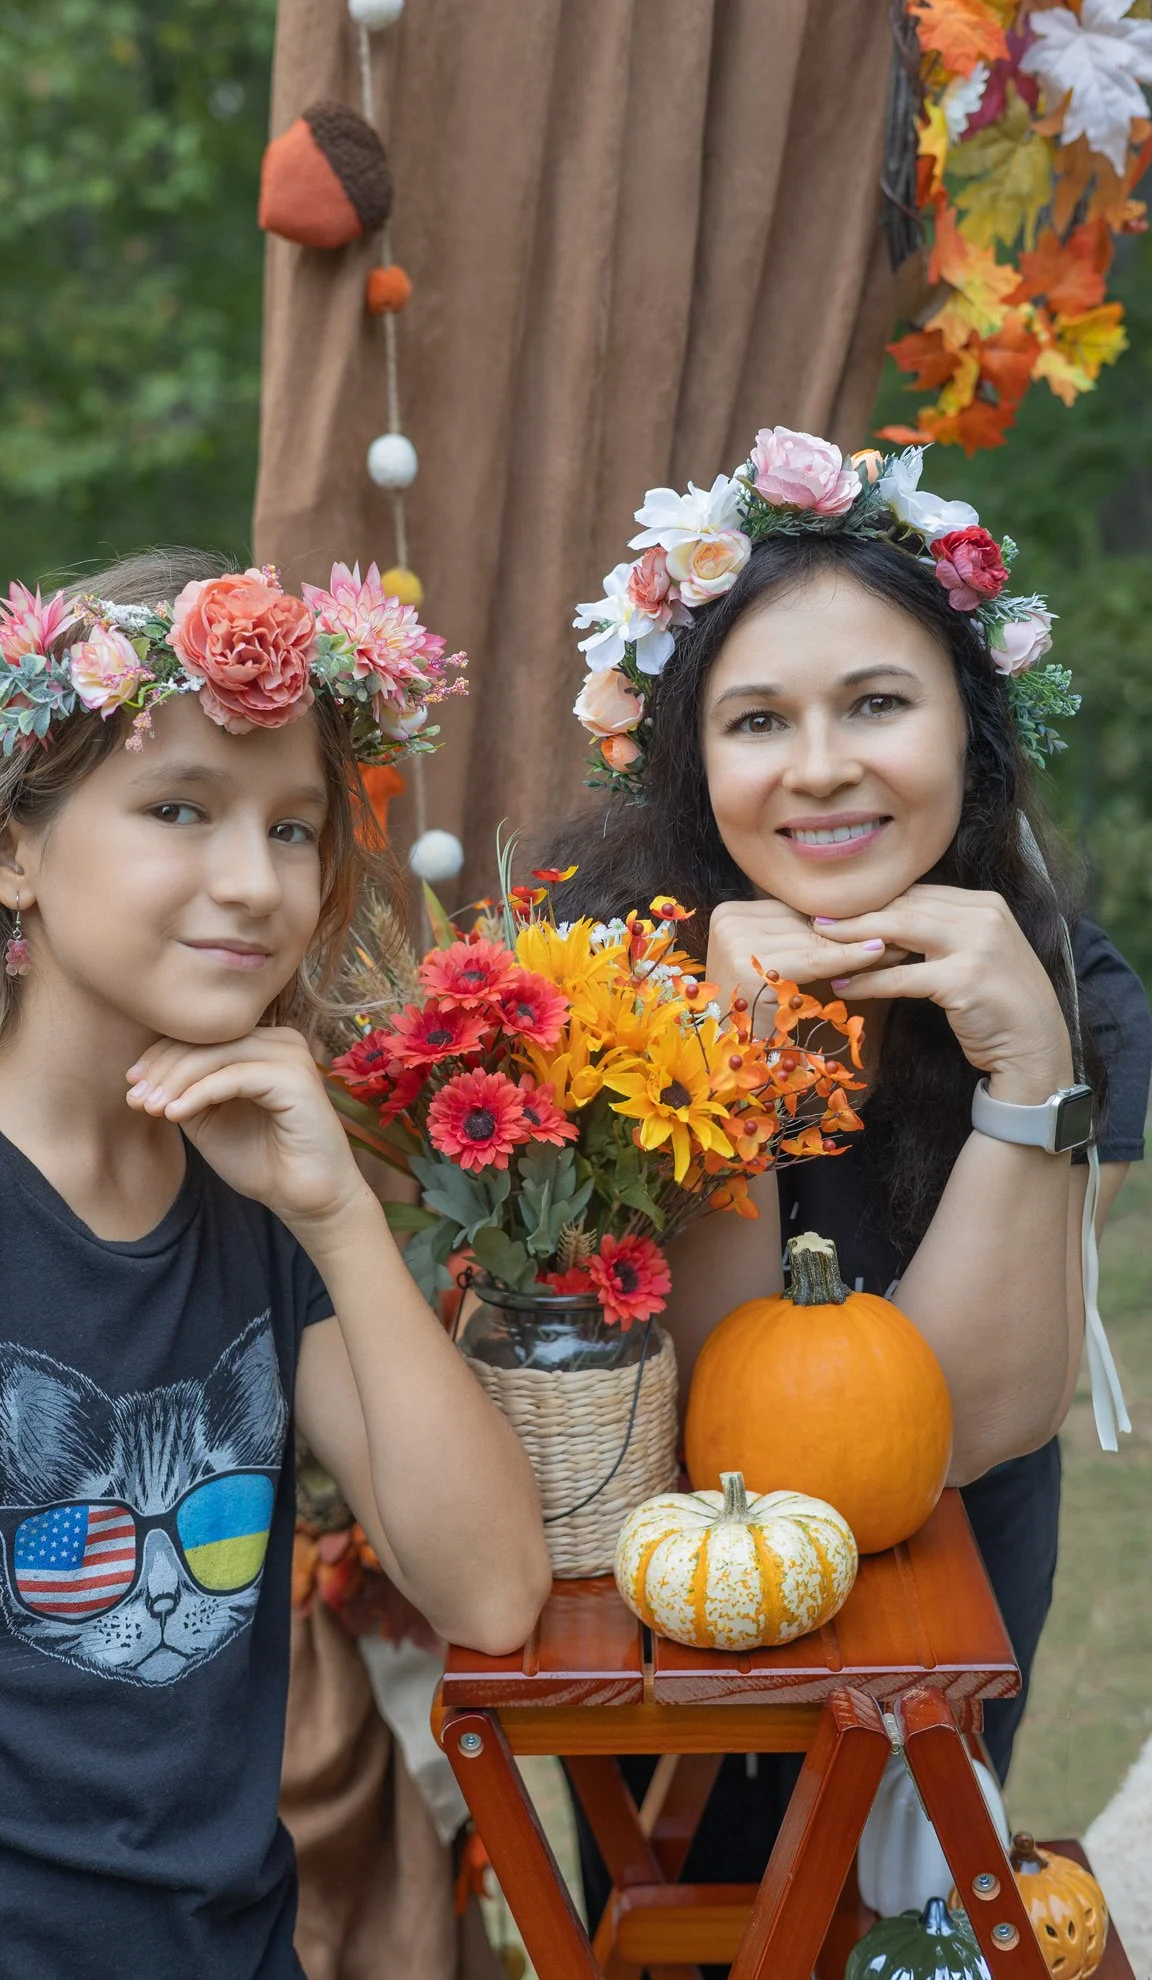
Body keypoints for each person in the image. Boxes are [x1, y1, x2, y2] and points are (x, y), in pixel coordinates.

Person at [0, 551, 551, 1980]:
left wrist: (339, 1213)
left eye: (294, 830)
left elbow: (491, 1594)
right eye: (181, 811)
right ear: (11, 851)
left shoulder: (263, 1192)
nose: (256, 884)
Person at [548, 428, 1152, 1937]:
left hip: (945, 1594)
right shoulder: (600, 980)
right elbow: (718, 1429)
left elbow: (951, 1434)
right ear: (690, 755)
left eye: (877, 703)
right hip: (672, 1617)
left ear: (971, 730)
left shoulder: (1073, 987)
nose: (820, 768)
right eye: (758, 720)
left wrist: (1024, 1071)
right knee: (690, 1930)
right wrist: (725, 1076)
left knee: (910, 1926)